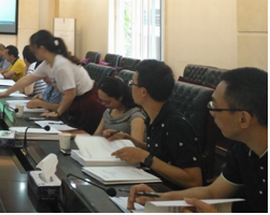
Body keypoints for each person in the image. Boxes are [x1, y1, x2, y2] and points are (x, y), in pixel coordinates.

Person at [128, 67, 267, 213]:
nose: (211, 114)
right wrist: (160, 198)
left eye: (214, 107)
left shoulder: (175, 123)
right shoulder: (243, 149)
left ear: (243, 119)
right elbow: (212, 192)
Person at [110, 60, 202, 189]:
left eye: (132, 84)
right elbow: (159, 152)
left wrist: (144, 157)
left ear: (143, 92)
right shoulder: (154, 116)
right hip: (153, 182)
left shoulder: (176, 125)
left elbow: (194, 180)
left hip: (171, 193)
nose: (130, 88)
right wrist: (127, 138)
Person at [0, 30, 104, 134]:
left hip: (87, 104)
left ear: (42, 48)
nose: (33, 52)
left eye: (34, 49)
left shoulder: (61, 65)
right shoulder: (47, 63)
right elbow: (27, 79)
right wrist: (7, 92)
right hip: (77, 103)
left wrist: (58, 112)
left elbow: (71, 93)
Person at [94, 76, 146, 141]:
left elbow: (136, 145)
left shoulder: (135, 116)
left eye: (108, 102)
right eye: (101, 101)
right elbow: (96, 135)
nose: (104, 104)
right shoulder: (108, 112)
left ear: (119, 98)